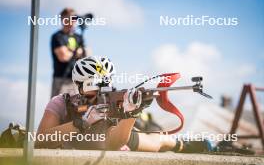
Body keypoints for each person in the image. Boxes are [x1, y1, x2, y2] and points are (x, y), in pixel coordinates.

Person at [36, 56, 212, 152]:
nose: (99, 94)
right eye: (93, 88)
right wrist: (82, 123)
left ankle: (186, 145)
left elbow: (114, 144)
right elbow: (40, 141)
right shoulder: (61, 102)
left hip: (112, 138)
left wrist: (132, 113)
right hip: (75, 143)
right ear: (79, 86)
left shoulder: (117, 98)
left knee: (158, 141)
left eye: (104, 87)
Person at [50, 8, 86, 98]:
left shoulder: (79, 37)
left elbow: (85, 56)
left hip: (77, 80)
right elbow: (63, 56)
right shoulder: (57, 36)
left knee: (78, 109)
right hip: (61, 79)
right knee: (57, 108)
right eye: (69, 18)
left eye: (74, 18)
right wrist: (76, 52)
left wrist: (70, 50)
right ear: (63, 19)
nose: (72, 21)